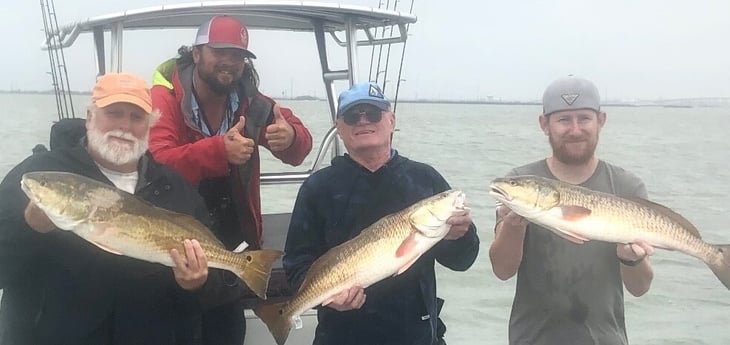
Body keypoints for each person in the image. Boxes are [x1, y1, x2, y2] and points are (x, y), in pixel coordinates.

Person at [0, 73, 240, 345]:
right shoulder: (39, 177)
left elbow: (219, 290)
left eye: (137, 118)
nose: (125, 126)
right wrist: (29, 228)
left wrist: (198, 284)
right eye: (113, 113)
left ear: (150, 127)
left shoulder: (176, 190)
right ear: (90, 117)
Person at [148, 15, 313, 345]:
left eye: (238, 55)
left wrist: (290, 136)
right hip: (170, 238)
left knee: (226, 330)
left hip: (231, 242)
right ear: (196, 54)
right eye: (219, 51)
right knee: (172, 327)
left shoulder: (252, 101)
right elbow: (157, 163)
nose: (229, 62)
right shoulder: (164, 97)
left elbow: (300, 150)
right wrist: (218, 150)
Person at [283, 82, 480, 345]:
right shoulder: (317, 188)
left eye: (373, 113)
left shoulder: (425, 179)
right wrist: (330, 301)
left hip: (417, 335)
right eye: (353, 116)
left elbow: (463, 261)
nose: (363, 121)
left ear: (391, 120)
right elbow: (297, 265)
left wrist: (459, 235)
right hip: (341, 336)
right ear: (339, 128)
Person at [488, 75, 655, 345]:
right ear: (545, 124)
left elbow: (640, 287)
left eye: (584, 119)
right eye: (564, 120)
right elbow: (503, 270)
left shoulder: (627, 186)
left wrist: (630, 258)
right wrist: (512, 226)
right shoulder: (519, 182)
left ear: (601, 121)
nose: (575, 129)